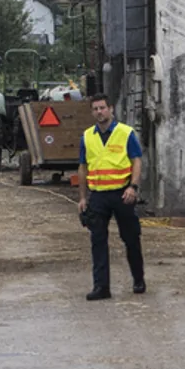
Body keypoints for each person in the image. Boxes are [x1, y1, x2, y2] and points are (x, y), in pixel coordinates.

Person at [76, 93, 145, 300]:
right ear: (92, 112)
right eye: (95, 109)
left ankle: (138, 279)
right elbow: (82, 168)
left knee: (131, 238)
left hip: (122, 194)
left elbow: (137, 161)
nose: (99, 112)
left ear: (111, 108)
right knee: (97, 241)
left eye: (102, 108)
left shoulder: (125, 133)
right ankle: (101, 287)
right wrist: (82, 198)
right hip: (98, 196)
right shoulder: (87, 137)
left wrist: (133, 187)